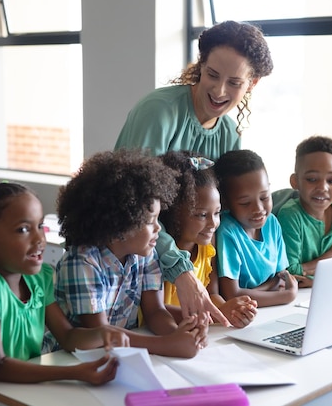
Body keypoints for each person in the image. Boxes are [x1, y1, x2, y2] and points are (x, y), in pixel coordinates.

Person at [114, 20, 274, 324]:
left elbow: (223, 212)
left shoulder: (229, 132)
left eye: (234, 82)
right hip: (128, 263)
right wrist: (183, 272)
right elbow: (132, 202)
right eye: (212, 75)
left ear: (252, 84)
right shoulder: (159, 112)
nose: (219, 90)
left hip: (182, 269)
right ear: (200, 65)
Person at [0, 182, 129, 406]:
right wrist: (74, 372)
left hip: (23, 388)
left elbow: (68, 337)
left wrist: (103, 333)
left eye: (40, 226)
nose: (39, 239)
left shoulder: (38, 278)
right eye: (23, 229)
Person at [51, 149, 208, 359]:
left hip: (122, 354)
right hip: (70, 359)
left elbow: (155, 312)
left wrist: (179, 334)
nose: (158, 229)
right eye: (149, 221)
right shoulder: (82, 262)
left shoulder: (146, 255)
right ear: (119, 226)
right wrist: (167, 345)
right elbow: (102, 334)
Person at [159, 150, 258, 328]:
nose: (213, 223)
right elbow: (156, 313)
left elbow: (211, 295)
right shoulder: (160, 256)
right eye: (202, 215)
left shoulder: (207, 246)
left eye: (217, 212)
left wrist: (230, 311)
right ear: (173, 213)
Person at [213, 149, 298, 307]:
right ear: (225, 202)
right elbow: (231, 295)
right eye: (245, 203)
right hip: (243, 315)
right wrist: (285, 296)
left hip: (267, 309)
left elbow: (281, 278)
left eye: (264, 197)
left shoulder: (271, 222)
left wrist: (262, 290)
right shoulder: (227, 231)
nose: (259, 208)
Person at [277, 136, 332, 288]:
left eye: (331, 181)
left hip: (327, 288)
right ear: (295, 181)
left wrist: (308, 270)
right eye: (312, 179)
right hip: (293, 296)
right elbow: (289, 273)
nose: (323, 187)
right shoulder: (290, 215)